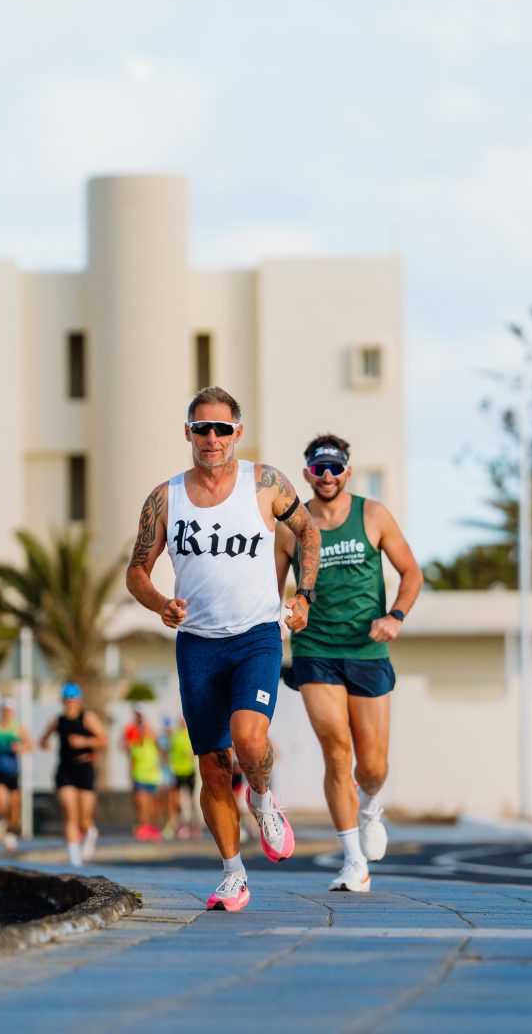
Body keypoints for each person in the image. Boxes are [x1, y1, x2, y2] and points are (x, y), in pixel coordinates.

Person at [125, 385, 320, 911]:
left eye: (222, 429)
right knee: (212, 765)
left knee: (249, 740)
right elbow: (136, 570)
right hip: (197, 645)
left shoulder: (265, 483)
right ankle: (233, 873)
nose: (212, 439)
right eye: (202, 428)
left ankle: (262, 798)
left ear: (238, 432)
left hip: (256, 634)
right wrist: (159, 603)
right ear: (187, 432)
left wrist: (303, 595)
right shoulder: (166, 497)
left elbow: (307, 533)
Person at [274, 433, 422, 892]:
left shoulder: (372, 515)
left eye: (335, 468)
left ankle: (372, 805)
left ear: (347, 472)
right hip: (315, 650)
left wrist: (395, 616)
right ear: (306, 475)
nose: (328, 476)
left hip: (367, 649)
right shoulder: (289, 528)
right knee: (336, 750)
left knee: (372, 766)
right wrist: (284, 617)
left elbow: (412, 573)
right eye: (319, 469)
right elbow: (270, 588)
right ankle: (353, 860)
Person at [40, 683, 106, 867]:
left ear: (79, 699)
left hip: (84, 767)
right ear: (62, 700)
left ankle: (90, 832)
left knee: (84, 818)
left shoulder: (88, 718)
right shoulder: (58, 720)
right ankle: (74, 858)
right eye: (67, 698)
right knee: (70, 813)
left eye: (73, 698)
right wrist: (44, 742)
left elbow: (103, 740)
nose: (70, 702)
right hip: (65, 769)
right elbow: (44, 737)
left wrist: (84, 740)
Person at [0, 700, 30, 852]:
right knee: (0, 803)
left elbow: (30, 746)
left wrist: (20, 748)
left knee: (14, 806)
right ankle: (1, 821)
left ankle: (10, 833)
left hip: (13, 771)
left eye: (9, 710)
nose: (6, 713)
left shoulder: (17, 728)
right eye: (4, 710)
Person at [125, 706, 165, 842]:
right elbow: (127, 751)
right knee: (141, 803)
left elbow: (161, 748)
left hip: (152, 775)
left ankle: (153, 827)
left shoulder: (151, 732)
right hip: (139, 775)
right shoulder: (131, 732)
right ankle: (143, 826)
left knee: (153, 805)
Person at [164, 716, 198, 840]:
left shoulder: (191, 734)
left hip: (189, 770)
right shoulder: (175, 736)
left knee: (191, 799)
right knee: (176, 800)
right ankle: (179, 824)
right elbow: (170, 751)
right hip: (178, 771)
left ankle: (193, 824)